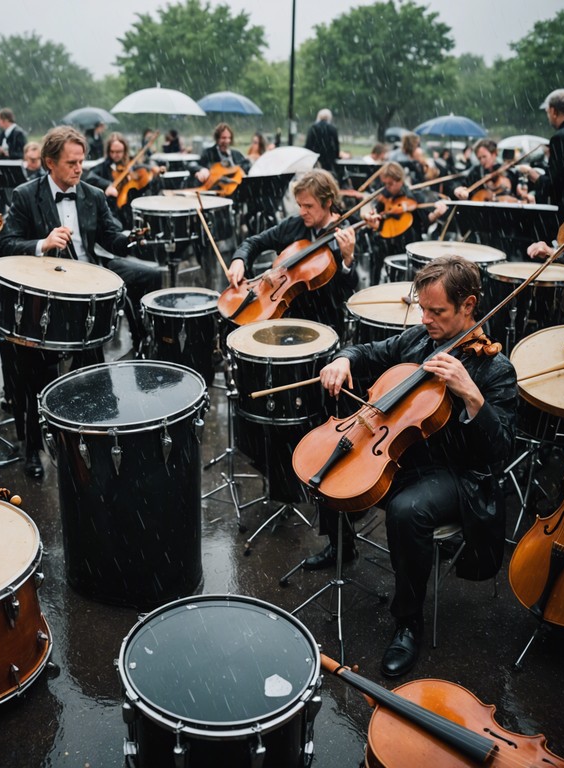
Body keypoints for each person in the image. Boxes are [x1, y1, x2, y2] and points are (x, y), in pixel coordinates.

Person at [314, 254, 516, 677]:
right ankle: (341, 544)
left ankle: (408, 621)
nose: (425, 318)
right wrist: (344, 359)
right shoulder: (418, 341)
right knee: (331, 454)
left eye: (436, 311)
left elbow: (499, 448)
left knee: (408, 511)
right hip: (405, 452)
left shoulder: (495, 369)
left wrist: (472, 396)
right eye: (421, 308)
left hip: (459, 474)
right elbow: (369, 349)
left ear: (469, 305)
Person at [0, 126, 161, 478]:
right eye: (72, 163)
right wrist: (42, 243)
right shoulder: (26, 196)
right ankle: (32, 447)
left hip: (88, 287)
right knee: (34, 374)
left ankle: (98, 433)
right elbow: (6, 245)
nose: (79, 169)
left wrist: (132, 238)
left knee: (93, 369)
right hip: (48, 292)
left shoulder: (92, 195)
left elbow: (111, 237)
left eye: (82, 162)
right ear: (49, 163)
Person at [227, 169, 358, 337]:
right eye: (300, 205)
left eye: (309, 206)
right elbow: (254, 242)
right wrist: (239, 260)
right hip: (287, 314)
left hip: (325, 322)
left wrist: (348, 260)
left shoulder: (344, 235)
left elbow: (348, 289)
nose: (302, 212)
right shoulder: (293, 225)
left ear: (328, 202)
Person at [363, 161, 447, 285]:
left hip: (408, 242)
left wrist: (437, 214)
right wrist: (372, 217)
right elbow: (377, 213)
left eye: (391, 184)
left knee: (408, 278)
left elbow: (426, 220)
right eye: (385, 184)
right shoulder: (384, 195)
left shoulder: (411, 197)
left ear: (400, 180)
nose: (387, 187)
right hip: (387, 243)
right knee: (377, 259)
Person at [517, 88, 564, 215]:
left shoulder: (561, 138)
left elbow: (554, 186)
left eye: (547, 112)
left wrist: (531, 173)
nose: (548, 116)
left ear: (554, 111)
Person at [86, 132, 162, 227]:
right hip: (112, 212)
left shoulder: (131, 164)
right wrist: (108, 185)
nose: (115, 155)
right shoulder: (104, 167)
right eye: (112, 152)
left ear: (125, 151)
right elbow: (89, 177)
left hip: (130, 210)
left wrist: (152, 172)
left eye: (118, 152)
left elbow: (143, 187)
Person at [453, 139, 520, 202]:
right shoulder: (476, 171)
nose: (482, 161)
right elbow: (463, 183)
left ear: (494, 154)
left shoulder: (507, 170)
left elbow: (515, 191)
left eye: (484, 157)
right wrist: (458, 189)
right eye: (479, 158)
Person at [305, 109, 340, 175]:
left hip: (315, 158)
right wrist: (335, 156)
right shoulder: (333, 128)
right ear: (329, 117)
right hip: (328, 159)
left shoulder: (313, 128)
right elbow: (336, 145)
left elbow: (308, 144)